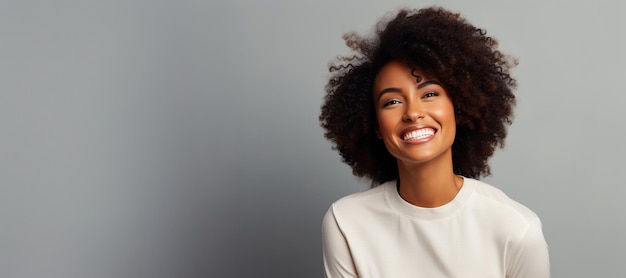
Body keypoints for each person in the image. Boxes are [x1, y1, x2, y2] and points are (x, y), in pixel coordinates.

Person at [319, 6, 550, 278]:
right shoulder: (347, 223)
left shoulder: (516, 229)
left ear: (459, 107)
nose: (413, 112)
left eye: (429, 94)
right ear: (376, 126)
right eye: (392, 101)